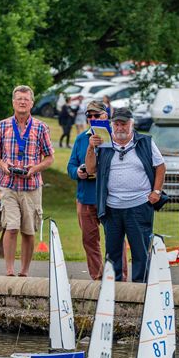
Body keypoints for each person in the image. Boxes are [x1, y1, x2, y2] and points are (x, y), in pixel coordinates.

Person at [84, 106, 166, 283]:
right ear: (112, 125)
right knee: (112, 253)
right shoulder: (103, 142)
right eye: (117, 124)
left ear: (132, 124)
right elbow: (90, 169)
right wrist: (91, 148)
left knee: (140, 252)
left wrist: (157, 191)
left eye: (124, 124)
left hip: (139, 205)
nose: (120, 128)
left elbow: (160, 166)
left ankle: (140, 292)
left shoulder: (145, 141)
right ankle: (113, 291)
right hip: (112, 207)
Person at [0, 85, 54, 277]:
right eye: (19, 99)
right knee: (11, 227)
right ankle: (9, 270)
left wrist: (35, 169)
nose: (22, 102)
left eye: (26, 99)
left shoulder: (41, 127)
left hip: (31, 186)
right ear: (13, 102)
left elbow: (49, 157)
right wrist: (2, 165)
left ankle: (24, 271)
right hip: (8, 185)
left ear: (32, 103)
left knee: (28, 230)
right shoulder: (2, 126)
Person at [67, 99, 127, 280]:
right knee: (89, 240)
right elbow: (70, 166)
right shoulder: (81, 139)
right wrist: (78, 172)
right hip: (86, 196)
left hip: (110, 197)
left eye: (97, 115)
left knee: (115, 239)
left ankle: (119, 277)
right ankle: (97, 277)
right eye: (89, 116)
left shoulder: (116, 137)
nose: (93, 118)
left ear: (106, 115)